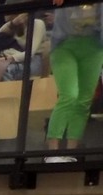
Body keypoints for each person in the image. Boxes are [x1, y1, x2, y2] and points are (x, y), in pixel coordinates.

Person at [45, 0, 103, 163]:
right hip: (64, 44)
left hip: (94, 46)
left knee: (84, 100)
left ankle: (71, 153)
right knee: (69, 95)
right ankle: (52, 153)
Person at [0, 13, 47, 84]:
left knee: (5, 71)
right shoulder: (11, 24)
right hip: (13, 56)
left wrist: (7, 59)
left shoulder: (38, 23)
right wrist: (12, 24)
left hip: (33, 60)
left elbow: (30, 53)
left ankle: (7, 91)